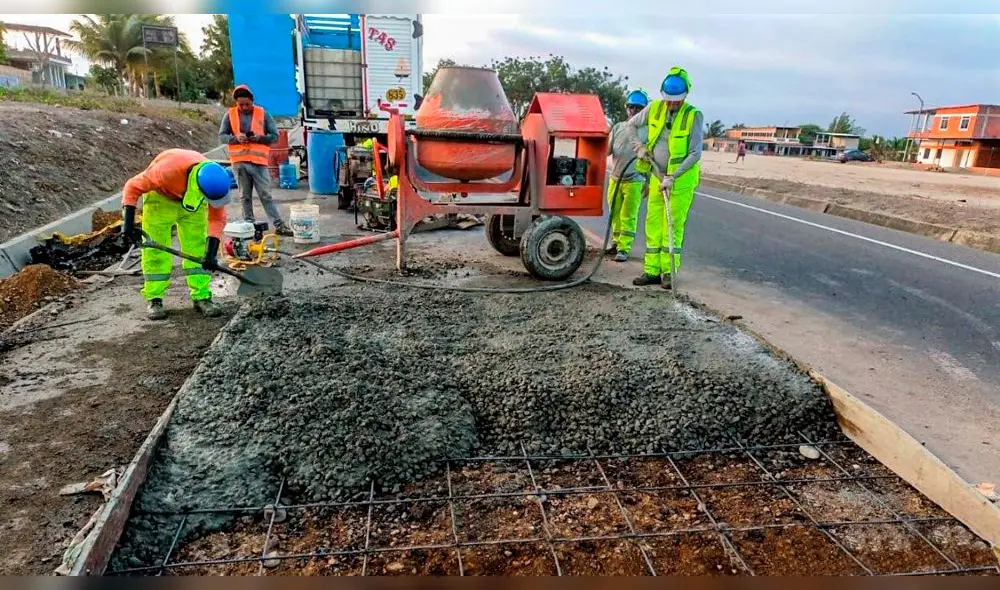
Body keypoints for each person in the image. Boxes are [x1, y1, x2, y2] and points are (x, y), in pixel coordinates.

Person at [121, 149, 232, 320]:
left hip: (192, 204)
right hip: (161, 199)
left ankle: (202, 296)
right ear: (198, 186)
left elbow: (217, 218)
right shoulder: (164, 172)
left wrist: (210, 252)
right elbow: (132, 187)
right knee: (156, 251)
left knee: (197, 247)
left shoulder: (214, 180)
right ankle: (155, 298)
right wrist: (127, 225)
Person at [623, 66, 703, 290]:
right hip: (657, 177)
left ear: (685, 95)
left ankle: (668, 272)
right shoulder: (655, 107)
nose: (671, 104)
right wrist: (639, 147)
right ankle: (651, 270)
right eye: (668, 100)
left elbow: (695, 153)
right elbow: (630, 125)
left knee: (672, 226)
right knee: (653, 223)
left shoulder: (693, 115)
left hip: (680, 182)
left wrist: (673, 176)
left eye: (676, 101)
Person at [219, 84, 293, 236]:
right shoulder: (230, 115)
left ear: (252, 101)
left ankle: (279, 225)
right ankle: (249, 225)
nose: (244, 107)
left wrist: (259, 138)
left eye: (247, 104)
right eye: (241, 105)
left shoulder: (263, 114)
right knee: (244, 196)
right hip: (240, 163)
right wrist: (236, 138)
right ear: (236, 103)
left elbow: (275, 137)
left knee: (265, 195)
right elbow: (222, 136)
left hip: (259, 164)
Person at [606, 89, 650, 262]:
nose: (634, 111)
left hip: (635, 180)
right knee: (614, 213)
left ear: (644, 110)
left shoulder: (648, 131)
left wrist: (648, 181)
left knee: (628, 216)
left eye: (638, 108)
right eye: (631, 107)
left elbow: (650, 158)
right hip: (615, 179)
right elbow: (607, 150)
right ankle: (616, 243)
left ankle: (624, 248)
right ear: (626, 108)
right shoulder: (618, 128)